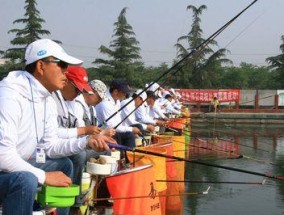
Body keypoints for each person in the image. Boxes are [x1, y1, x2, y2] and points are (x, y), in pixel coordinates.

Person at [0, 39, 112, 215]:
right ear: (41, 66)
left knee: (64, 164)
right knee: (25, 180)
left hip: (16, 166)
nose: (66, 72)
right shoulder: (9, 96)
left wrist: (87, 141)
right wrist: (44, 176)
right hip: (6, 168)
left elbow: (50, 146)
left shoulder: (47, 99)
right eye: (61, 65)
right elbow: (3, 155)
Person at [95, 79, 141, 150]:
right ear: (116, 91)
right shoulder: (105, 103)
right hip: (104, 131)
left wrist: (129, 129)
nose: (125, 95)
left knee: (131, 132)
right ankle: (126, 156)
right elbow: (112, 126)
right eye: (124, 93)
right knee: (129, 135)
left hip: (113, 131)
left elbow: (118, 123)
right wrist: (131, 129)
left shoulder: (118, 101)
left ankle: (127, 155)